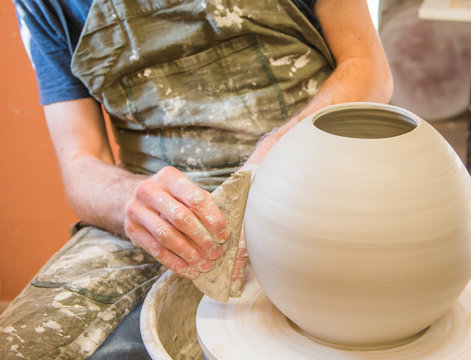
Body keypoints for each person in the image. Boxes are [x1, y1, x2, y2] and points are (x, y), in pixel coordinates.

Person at [1, 0, 392, 358]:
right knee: (29, 344)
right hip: (163, 204)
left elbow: (369, 67)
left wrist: (276, 153)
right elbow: (81, 162)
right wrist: (129, 202)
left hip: (307, 170)